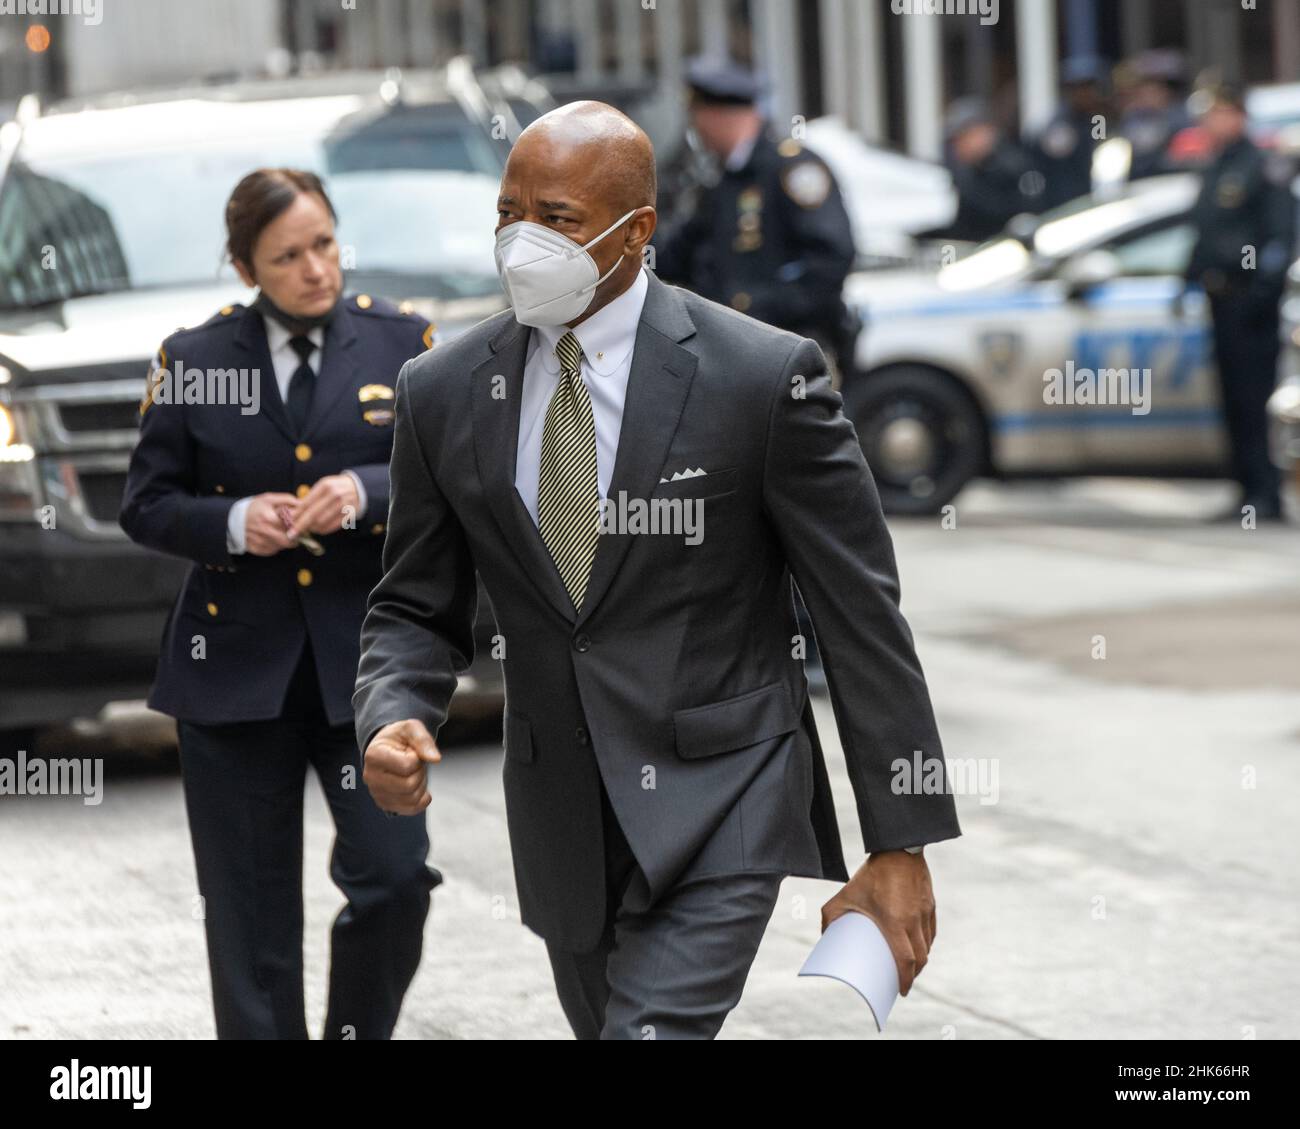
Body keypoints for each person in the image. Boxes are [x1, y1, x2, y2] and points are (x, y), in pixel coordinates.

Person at [355, 102, 961, 1040]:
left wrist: (901, 839)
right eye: (507, 212)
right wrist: (393, 710)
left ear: (634, 233)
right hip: (562, 814)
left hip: (725, 795)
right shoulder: (442, 389)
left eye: (554, 219)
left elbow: (859, 615)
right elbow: (413, 603)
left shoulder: (762, 377)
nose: (522, 241)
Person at [120, 168, 440, 1038]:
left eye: (325, 244)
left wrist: (364, 492)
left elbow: (447, 476)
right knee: (251, 916)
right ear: (244, 267)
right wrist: (231, 520)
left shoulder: (400, 341)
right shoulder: (193, 359)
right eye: (287, 256)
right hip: (232, 677)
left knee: (395, 877)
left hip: (361, 673)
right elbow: (143, 504)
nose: (315, 270)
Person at [655, 57, 858, 383]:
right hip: (735, 353)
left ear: (716, 115)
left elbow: (831, 258)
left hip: (789, 351)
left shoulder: (791, 169)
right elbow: (678, 254)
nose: (695, 131)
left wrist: (754, 310)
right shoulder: (721, 181)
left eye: (697, 119)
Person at [1183, 85, 1297, 523]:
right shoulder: (1217, 165)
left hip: (1250, 305)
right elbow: (1205, 231)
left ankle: (1266, 495)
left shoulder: (1262, 166)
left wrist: (1261, 293)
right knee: (1233, 403)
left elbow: (1280, 238)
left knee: (1255, 403)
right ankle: (1245, 489)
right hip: (1221, 302)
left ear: (1237, 115)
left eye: (1217, 113)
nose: (1209, 123)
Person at [935, 98, 1034, 243]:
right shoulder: (969, 170)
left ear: (984, 132)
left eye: (962, 138)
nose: (957, 147)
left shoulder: (1013, 167)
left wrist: (964, 191)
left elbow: (1014, 215)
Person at [1027, 56, 1111, 210]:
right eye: (1078, 88)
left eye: (1090, 88)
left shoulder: (1099, 118)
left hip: (1099, 197)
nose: (1085, 94)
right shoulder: (1061, 124)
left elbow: (1101, 149)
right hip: (1066, 202)